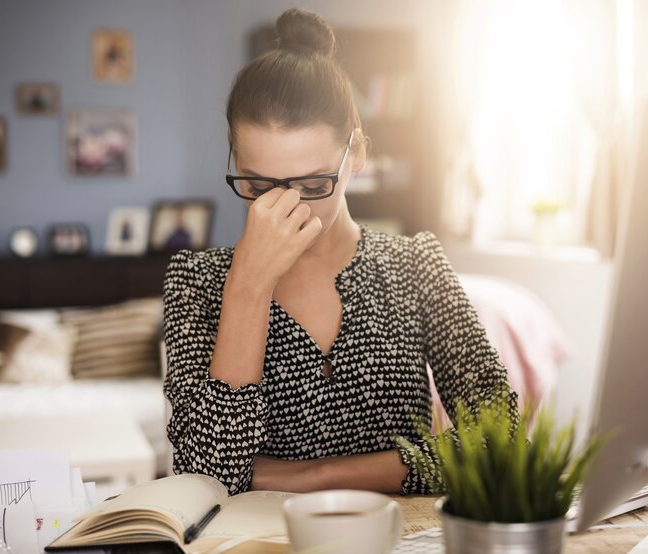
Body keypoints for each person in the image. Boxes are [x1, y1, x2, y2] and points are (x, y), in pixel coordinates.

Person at [162, 7, 519, 496]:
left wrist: (313, 476)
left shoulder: (416, 266)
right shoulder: (197, 280)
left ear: (357, 154)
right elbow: (205, 476)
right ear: (234, 161)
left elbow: (499, 438)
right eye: (258, 183)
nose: (284, 204)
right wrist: (248, 286)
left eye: (312, 183)